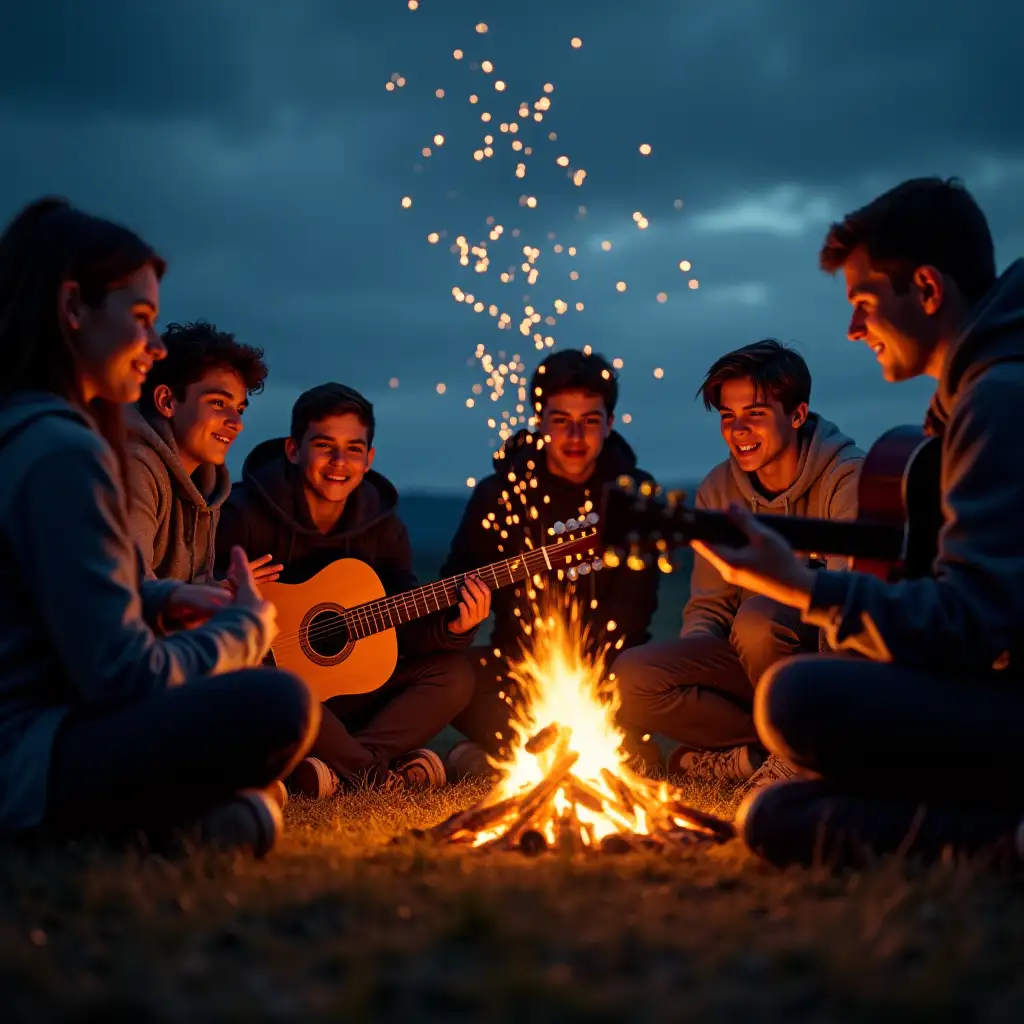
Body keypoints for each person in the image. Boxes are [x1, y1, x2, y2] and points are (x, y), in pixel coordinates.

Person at [687, 177, 1024, 868]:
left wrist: (803, 587)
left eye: (864, 303)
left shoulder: (999, 399)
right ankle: (994, 830)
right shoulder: (963, 401)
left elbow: (969, 621)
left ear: (927, 290)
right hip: (991, 692)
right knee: (778, 817)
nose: (852, 329)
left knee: (795, 696)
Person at [0, 197, 317, 856]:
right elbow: (122, 677)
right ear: (72, 308)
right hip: (29, 752)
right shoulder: (65, 451)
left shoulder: (25, 428)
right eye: (141, 320)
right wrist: (242, 629)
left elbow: (42, 589)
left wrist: (161, 598)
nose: (156, 345)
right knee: (280, 704)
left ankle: (197, 820)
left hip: (35, 733)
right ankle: (156, 826)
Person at [215, 382, 488, 798]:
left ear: (369, 458)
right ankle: (375, 776)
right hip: (268, 695)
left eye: (354, 449)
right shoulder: (242, 514)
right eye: (324, 446)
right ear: (293, 449)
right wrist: (222, 591)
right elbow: (195, 604)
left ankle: (331, 769)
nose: (339, 462)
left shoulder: (385, 528)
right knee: (279, 684)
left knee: (453, 674)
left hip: (347, 698)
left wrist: (455, 628)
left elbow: (403, 632)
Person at [614, 340, 864, 783]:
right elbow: (709, 608)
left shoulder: (846, 477)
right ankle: (759, 754)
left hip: (834, 669)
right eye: (728, 417)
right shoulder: (718, 489)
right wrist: (699, 680)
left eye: (755, 413)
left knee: (757, 618)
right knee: (630, 677)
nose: (738, 429)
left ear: (798, 415)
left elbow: (850, 610)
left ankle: (807, 747)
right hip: (752, 664)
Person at [441, 348, 660, 774]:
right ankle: (555, 753)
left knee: (644, 692)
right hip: (516, 670)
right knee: (448, 676)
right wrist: (460, 620)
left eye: (590, 422)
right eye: (561, 421)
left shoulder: (635, 495)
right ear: (539, 422)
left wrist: (579, 681)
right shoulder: (500, 494)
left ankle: (500, 758)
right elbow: (457, 578)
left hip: (609, 675)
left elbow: (638, 608)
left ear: (610, 423)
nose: (575, 437)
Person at [126, 319, 278, 585]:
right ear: (167, 401)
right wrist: (215, 597)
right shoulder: (132, 468)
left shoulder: (206, 487)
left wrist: (223, 589)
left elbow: (182, 595)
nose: (237, 423)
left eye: (240, 409)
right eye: (218, 403)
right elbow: (130, 589)